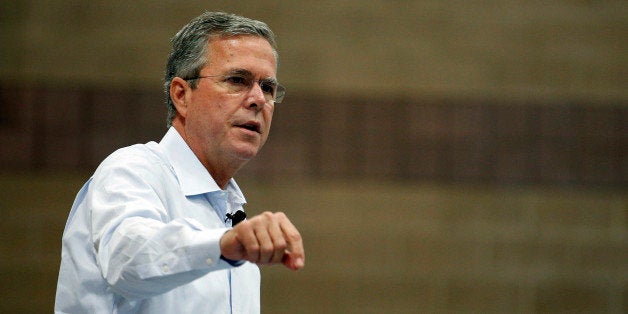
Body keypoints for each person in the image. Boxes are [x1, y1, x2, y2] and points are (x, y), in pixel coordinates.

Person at [55, 11, 304, 313]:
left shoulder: (234, 223)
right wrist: (224, 245)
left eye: (267, 87)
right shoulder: (132, 171)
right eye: (237, 80)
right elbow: (127, 259)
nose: (258, 100)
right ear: (182, 95)